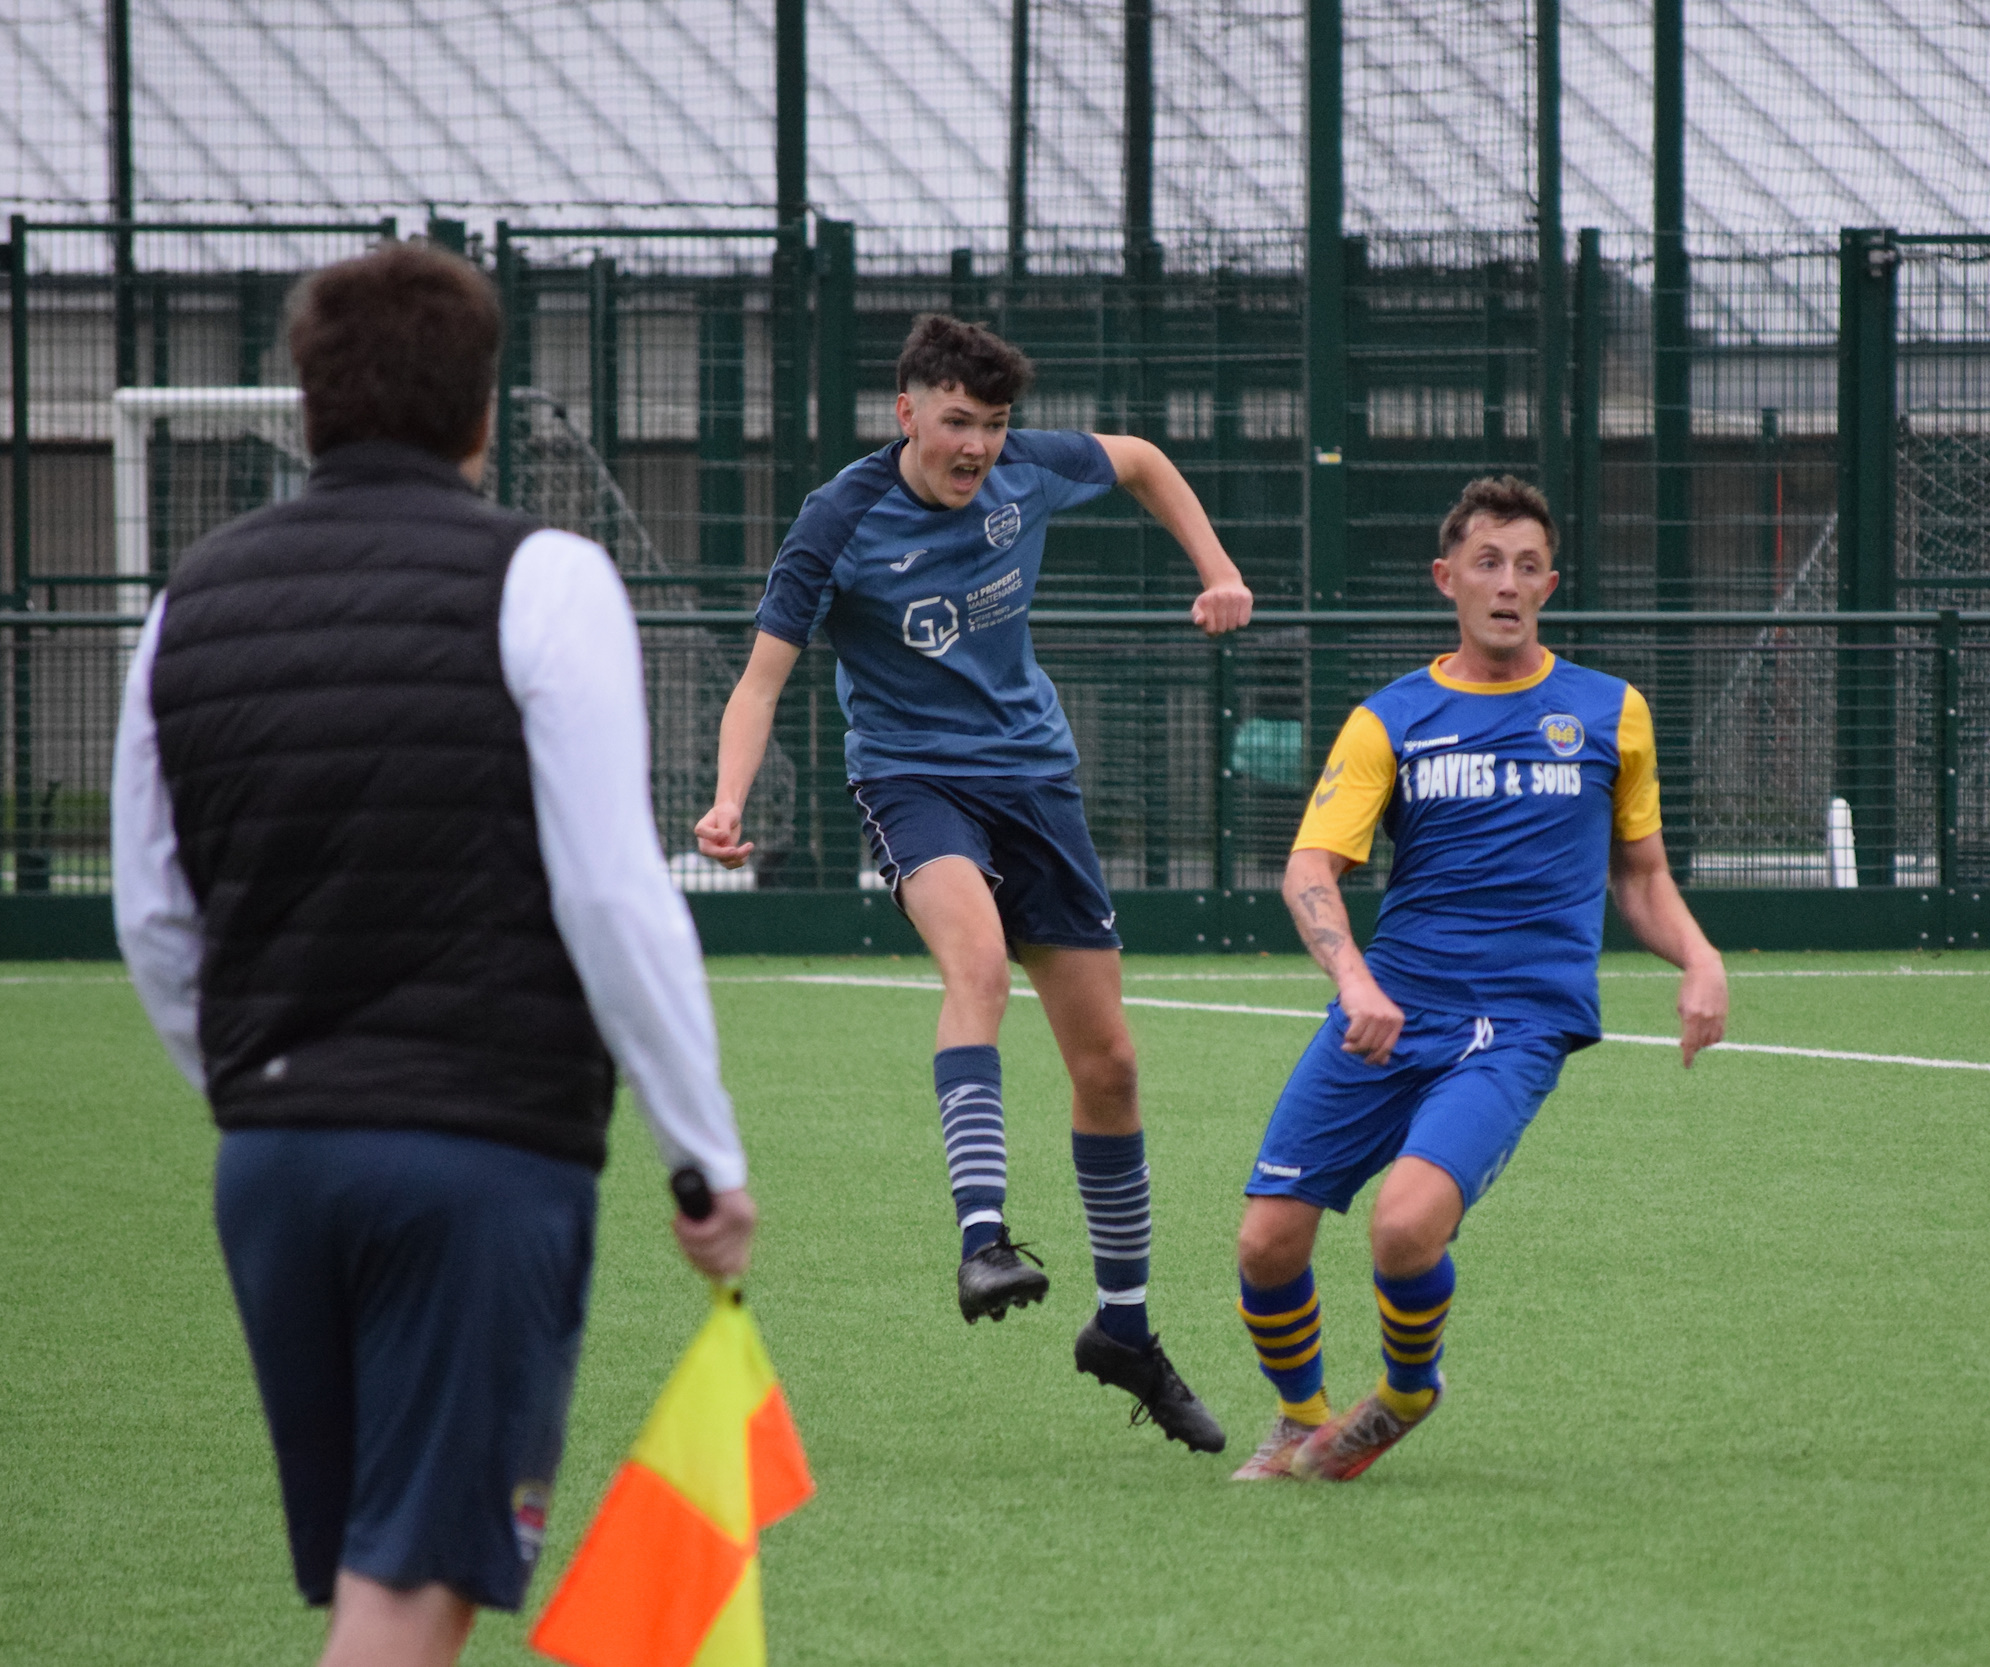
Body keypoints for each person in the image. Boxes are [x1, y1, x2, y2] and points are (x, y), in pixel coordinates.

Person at [110, 240, 757, 1667]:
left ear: (306, 402)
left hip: (273, 1161)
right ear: (484, 409)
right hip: (478, 1154)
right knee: (411, 1592)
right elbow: (613, 893)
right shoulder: (550, 578)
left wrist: (262, 1077)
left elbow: (154, 917)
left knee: (373, 1570)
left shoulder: (183, 605)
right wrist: (702, 1153)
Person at [695, 313, 1247, 1454]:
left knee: (1111, 1062)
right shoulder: (839, 520)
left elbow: (1140, 457)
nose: (978, 447)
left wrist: (1219, 568)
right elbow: (758, 686)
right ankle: (983, 1235)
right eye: (957, 422)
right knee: (979, 963)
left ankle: (1127, 1330)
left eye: (993, 425)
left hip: (1035, 780)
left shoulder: (1028, 472)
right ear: (905, 412)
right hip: (909, 781)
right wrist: (728, 799)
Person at [1229, 475, 1729, 1482]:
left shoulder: (1609, 712)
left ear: (1551, 582)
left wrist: (1700, 957)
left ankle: (1408, 1390)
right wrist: (1357, 983)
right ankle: (1299, 1419)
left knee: (1405, 1222)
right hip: (1390, 1009)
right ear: (1445, 577)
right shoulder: (1391, 718)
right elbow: (1308, 868)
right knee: (1265, 1242)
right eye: (1487, 562)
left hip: (1517, 1022)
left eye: (1528, 565)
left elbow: (1640, 878)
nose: (1508, 583)